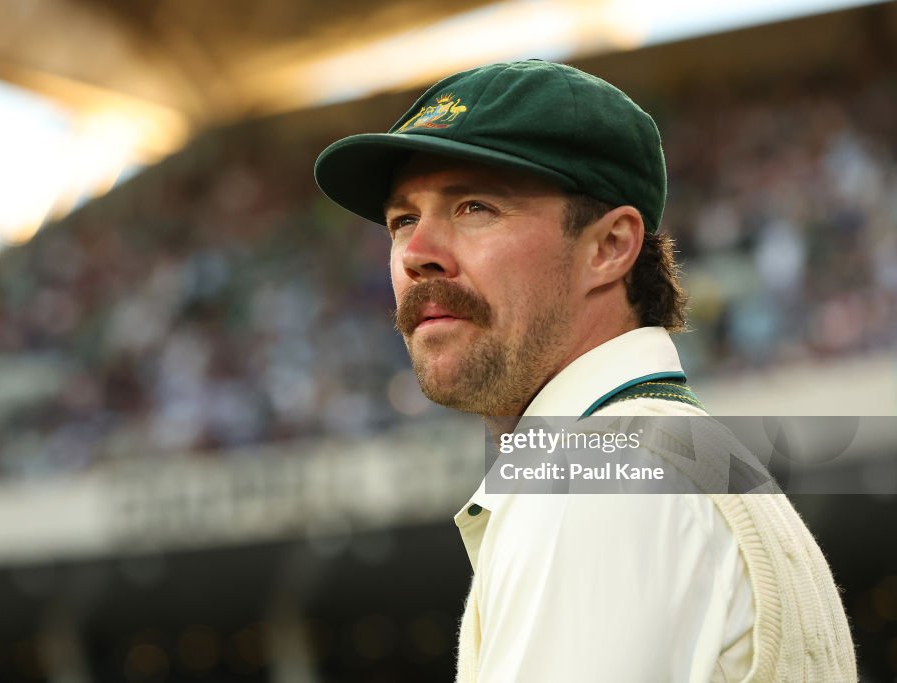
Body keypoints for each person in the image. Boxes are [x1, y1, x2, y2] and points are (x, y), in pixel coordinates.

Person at [314, 60, 855, 681]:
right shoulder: (672, 456)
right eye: (403, 220)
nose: (416, 255)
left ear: (609, 247)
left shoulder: (596, 477)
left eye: (474, 207)